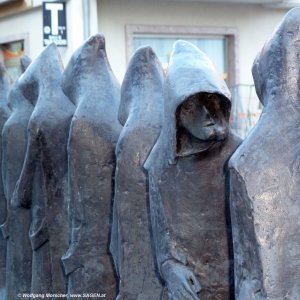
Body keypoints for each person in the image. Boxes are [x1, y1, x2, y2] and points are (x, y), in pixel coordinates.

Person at [144, 40, 241, 299]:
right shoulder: (160, 167)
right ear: (176, 114)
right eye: (191, 105)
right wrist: (169, 268)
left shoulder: (241, 157)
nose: (208, 113)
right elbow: (162, 240)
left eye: (211, 100)